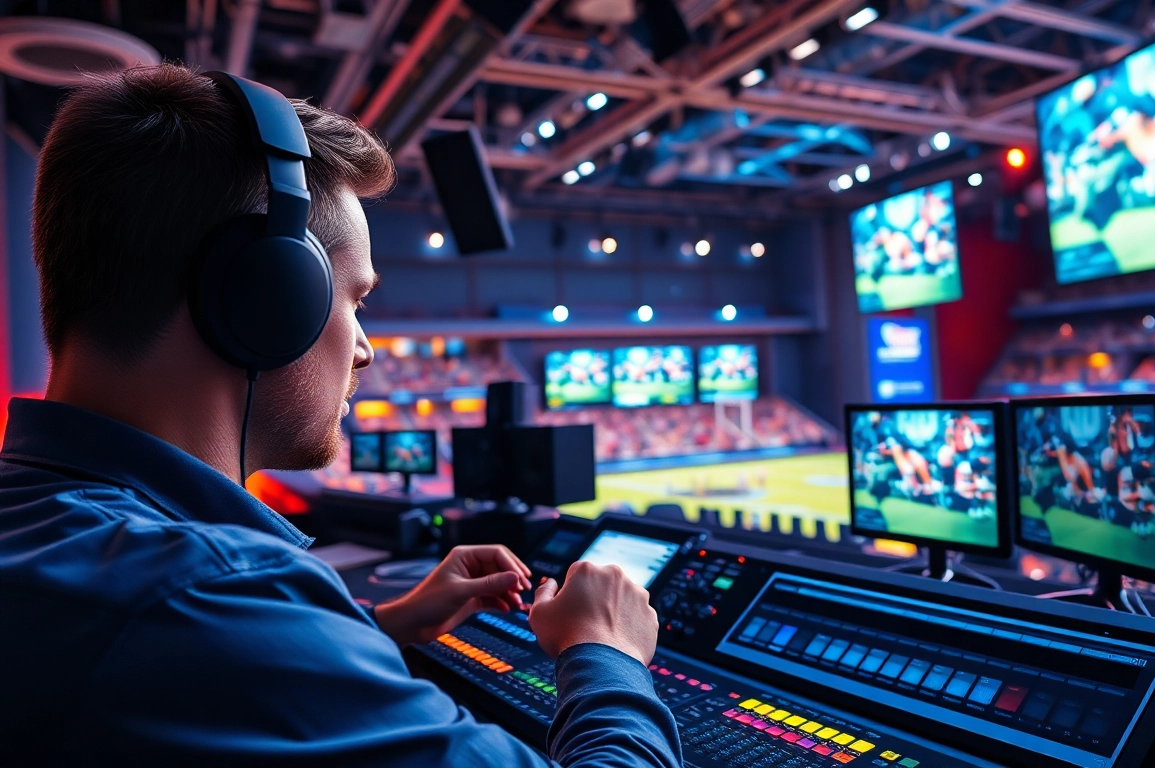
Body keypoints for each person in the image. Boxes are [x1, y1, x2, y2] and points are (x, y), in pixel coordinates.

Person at [0, 65, 680, 766]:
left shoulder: (45, 523)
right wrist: (608, 652)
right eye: (354, 300)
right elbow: (207, 632)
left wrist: (370, 627)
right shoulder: (205, 592)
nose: (363, 348)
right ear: (265, 300)